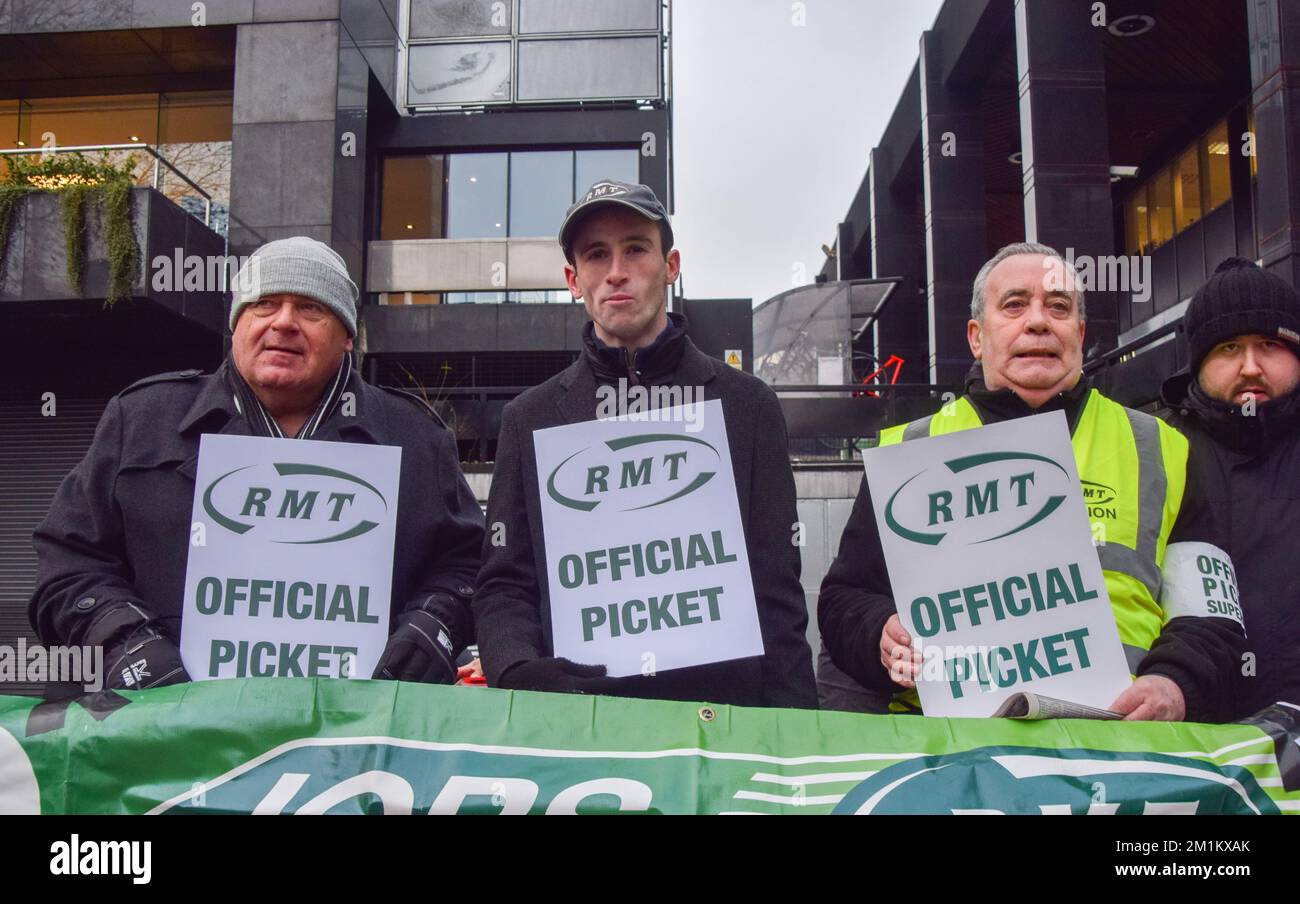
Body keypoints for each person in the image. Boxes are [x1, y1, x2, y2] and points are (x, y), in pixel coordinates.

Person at [31, 237, 484, 691]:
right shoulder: (142, 419)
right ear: (237, 323)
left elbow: (469, 564)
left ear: (346, 336)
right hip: (158, 736)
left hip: (357, 734)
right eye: (264, 304)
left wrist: (431, 631)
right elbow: (70, 565)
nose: (283, 322)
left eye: (311, 308)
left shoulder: (415, 437)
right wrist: (126, 644)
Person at [819, 242, 1246, 722]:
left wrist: (1174, 682)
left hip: (1119, 748)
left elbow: (1211, 617)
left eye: (1059, 307)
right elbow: (843, 602)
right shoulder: (906, 452)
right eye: (1015, 305)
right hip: (951, 756)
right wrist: (880, 633)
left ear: (1079, 334)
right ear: (977, 338)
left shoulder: (1163, 449)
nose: (1039, 321)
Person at [473, 180, 816, 708]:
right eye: (596, 255)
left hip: (720, 727)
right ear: (573, 279)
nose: (616, 271)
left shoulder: (748, 406)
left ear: (670, 265)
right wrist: (518, 672)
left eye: (635, 248)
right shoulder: (529, 419)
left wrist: (793, 739)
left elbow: (777, 594)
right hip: (580, 724)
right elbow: (504, 584)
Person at [1161, 257, 1300, 718]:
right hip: (1197, 756)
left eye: (1268, 344)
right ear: (1199, 363)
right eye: (1228, 348)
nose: (1250, 366)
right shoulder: (1156, 451)